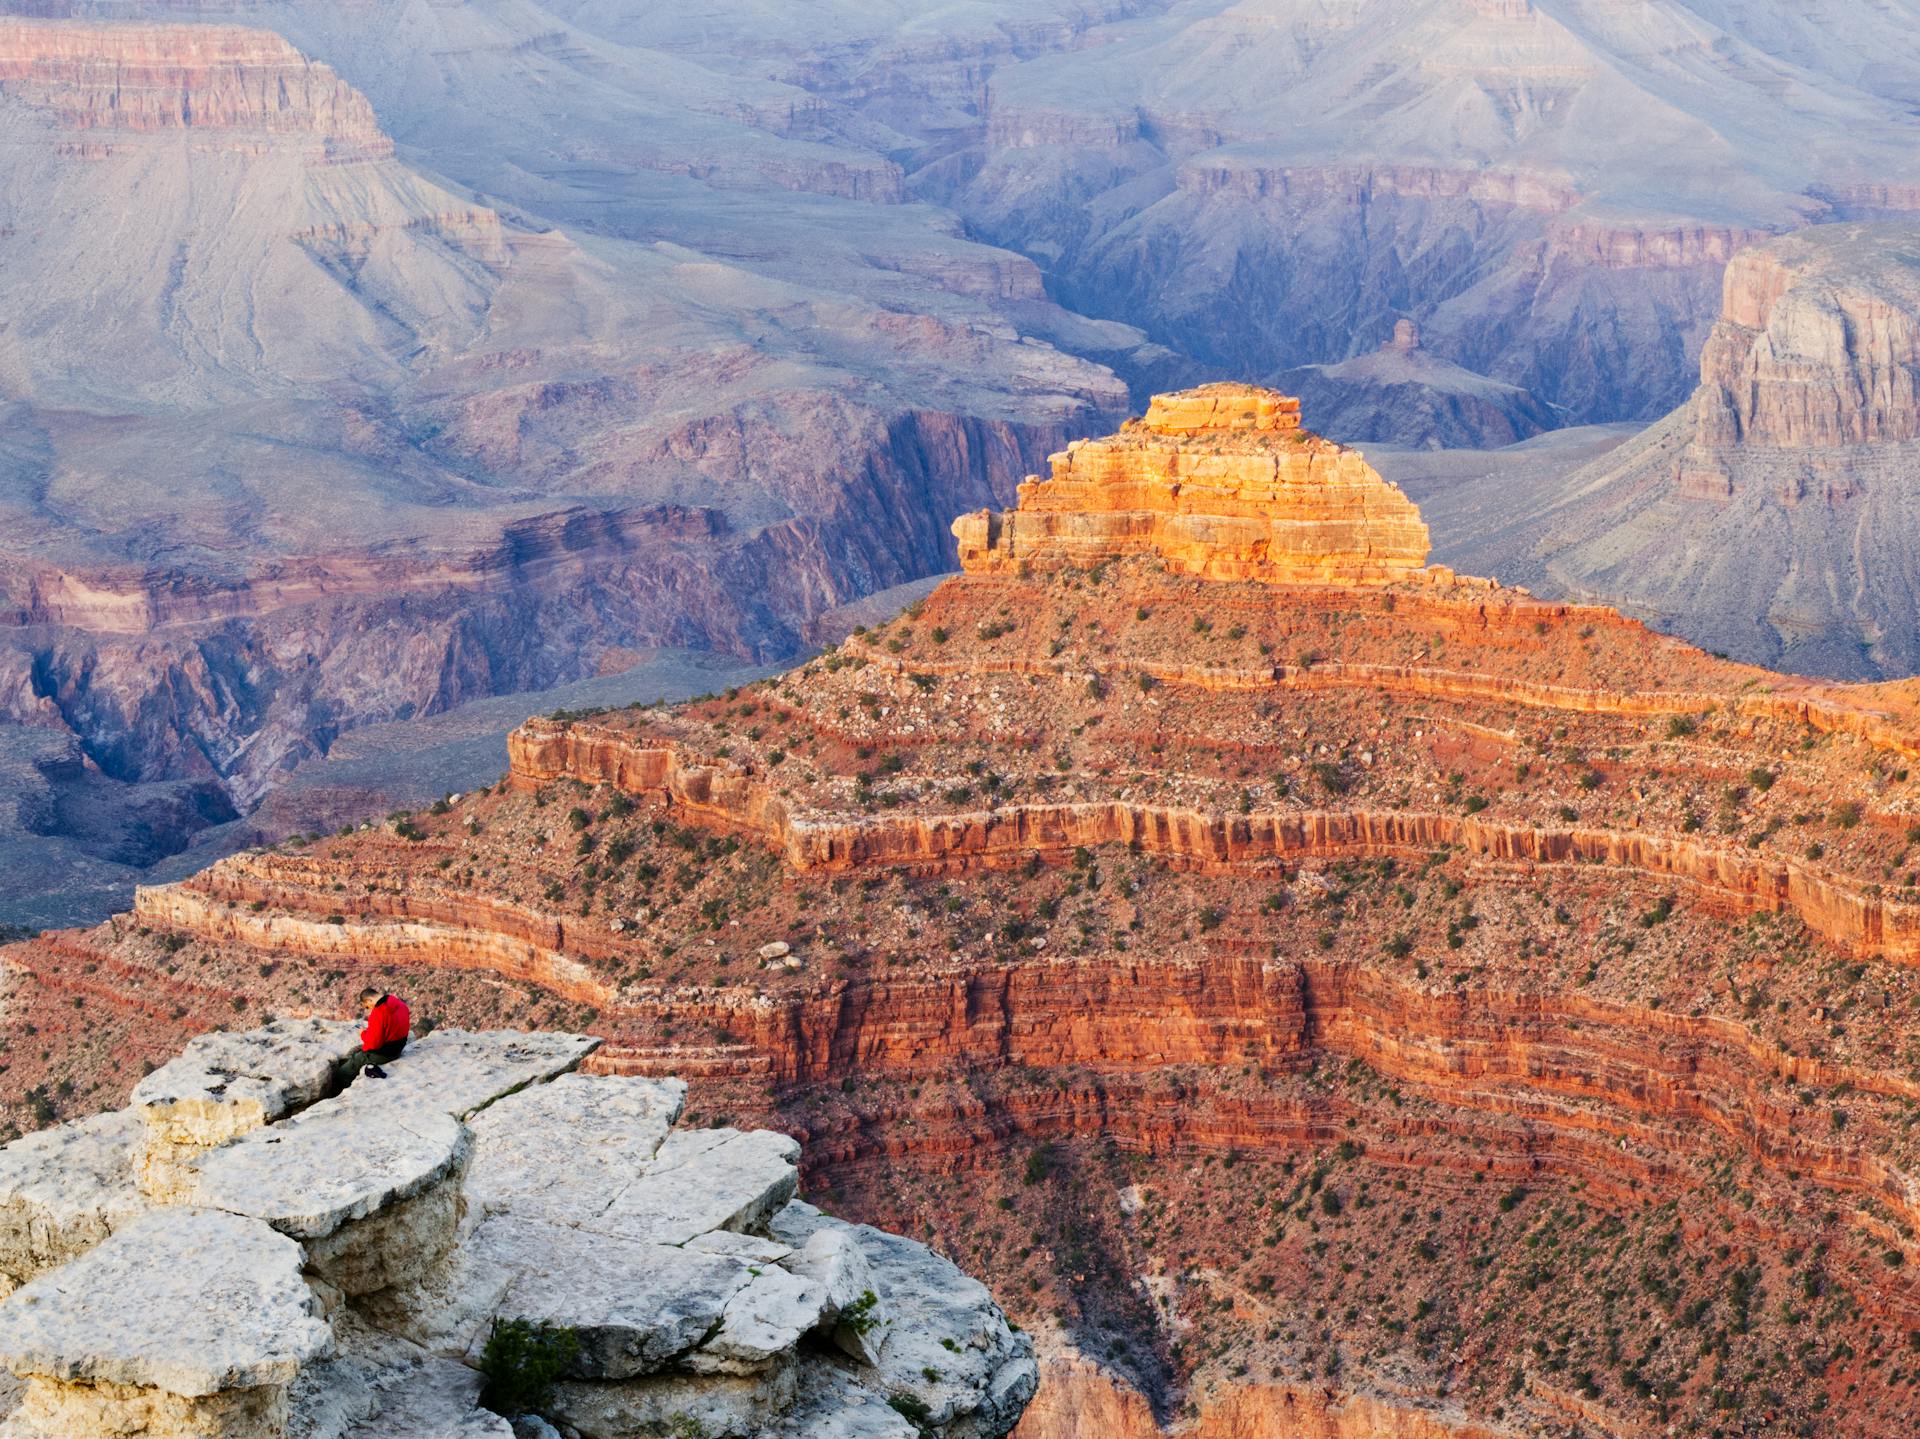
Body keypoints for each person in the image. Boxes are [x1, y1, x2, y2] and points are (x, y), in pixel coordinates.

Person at [343, 987, 411, 1082]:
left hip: (385, 1055)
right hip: (399, 1048)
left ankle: (338, 1085)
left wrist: (363, 1033)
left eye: (367, 1006)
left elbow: (373, 1045)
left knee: (353, 1062)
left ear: (369, 1000)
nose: (369, 1009)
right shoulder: (400, 1004)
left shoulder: (378, 1013)